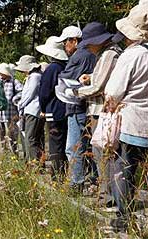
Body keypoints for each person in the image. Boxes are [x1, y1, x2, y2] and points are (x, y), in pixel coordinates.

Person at [104, 4, 148, 231]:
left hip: (132, 121)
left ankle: (124, 218)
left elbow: (113, 91)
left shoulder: (132, 55)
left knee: (125, 170)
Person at [70, 22, 123, 200]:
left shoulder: (109, 55)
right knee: (102, 151)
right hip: (102, 108)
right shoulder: (108, 53)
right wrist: (90, 77)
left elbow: (99, 86)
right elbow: (103, 77)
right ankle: (108, 192)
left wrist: (76, 91)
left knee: (102, 151)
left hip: (102, 110)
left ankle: (108, 194)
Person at [54, 26, 96, 193]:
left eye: (66, 42)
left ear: (75, 41)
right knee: (87, 146)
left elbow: (66, 78)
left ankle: (76, 183)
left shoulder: (80, 56)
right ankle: (92, 181)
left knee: (74, 147)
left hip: (76, 106)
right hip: (83, 106)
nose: (65, 45)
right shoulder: (89, 55)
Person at [36, 36, 69, 182]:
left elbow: (44, 92)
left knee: (55, 144)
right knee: (63, 142)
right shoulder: (65, 66)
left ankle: (57, 177)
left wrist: (43, 108)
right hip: (65, 109)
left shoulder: (52, 69)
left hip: (53, 110)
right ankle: (64, 173)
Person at [16, 55, 45, 162]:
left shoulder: (35, 77)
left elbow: (30, 94)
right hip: (31, 110)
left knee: (30, 138)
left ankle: (34, 163)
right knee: (32, 138)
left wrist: (21, 104)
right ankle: (35, 161)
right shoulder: (33, 76)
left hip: (33, 110)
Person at [0, 63, 23, 154]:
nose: (0, 74)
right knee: (1, 135)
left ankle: (14, 154)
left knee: (12, 135)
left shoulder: (14, 81)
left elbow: (22, 92)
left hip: (11, 114)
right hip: (0, 114)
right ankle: (3, 154)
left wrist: (14, 99)